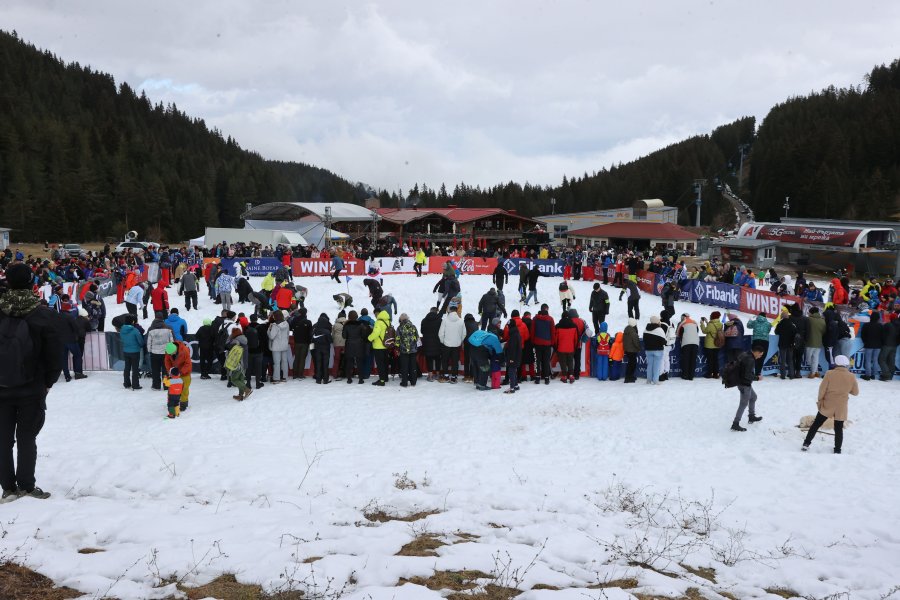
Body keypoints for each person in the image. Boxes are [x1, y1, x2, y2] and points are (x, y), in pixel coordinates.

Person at [0, 263, 63, 501]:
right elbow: (55, 355)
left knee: (2, 440)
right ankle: (26, 486)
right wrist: (48, 382)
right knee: (27, 438)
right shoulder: (43, 314)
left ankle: (8, 487)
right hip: (32, 387)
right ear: (31, 283)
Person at [802, 355, 858, 453]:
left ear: (836, 363)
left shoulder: (829, 373)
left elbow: (822, 389)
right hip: (841, 406)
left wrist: (820, 401)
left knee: (816, 424)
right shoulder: (851, 376)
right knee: (838, 429)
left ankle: (806, 444)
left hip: (828, 404)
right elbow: (855, 392)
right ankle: (837, 450)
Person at [731, 343, 766, 431]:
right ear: (757, 352)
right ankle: (735, 424)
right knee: (743, 404)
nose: (760, 356)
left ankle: (751, 416)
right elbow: (746, 375)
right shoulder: (750, 359)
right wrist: (757, 378)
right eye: (760, 355)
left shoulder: (745, 354)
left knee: (753, 397)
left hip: (741, 382)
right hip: (744, 384)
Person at [438, 304, 466, 383]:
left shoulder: (445, 320)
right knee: (455, 361)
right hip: (456, 344)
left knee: (445, 360)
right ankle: (454, 377)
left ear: (449, 310)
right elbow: (464, 333)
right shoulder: (461, 321)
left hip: (446, 344)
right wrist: (459, 341)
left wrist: (443, 341)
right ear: (457, 311)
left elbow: (440, 333)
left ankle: (446, 376)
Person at [146, 312, 174, 391]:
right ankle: (166, 386)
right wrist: (170, 352)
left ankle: (156, 386)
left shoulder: (151, 329)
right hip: (165, 353)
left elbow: (148, 342)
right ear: (163, 319)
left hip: (154, 353)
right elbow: (171, 342)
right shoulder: (168, 329)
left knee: (155, 370)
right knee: (165, 370)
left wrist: (149, 351)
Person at [164, 340, 192, 413]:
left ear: (175, 349)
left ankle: (183, 403)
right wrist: (170, 371)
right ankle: (171, 403)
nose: (171, 354)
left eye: (172, 353)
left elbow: (188, 364)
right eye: (169, 354)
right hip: (174, 373)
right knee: (173, 389)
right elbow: (167, 361)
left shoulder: (184, 350)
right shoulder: (168, 351)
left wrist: (181, 372)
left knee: (184, 388)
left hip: (185, 373)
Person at [225, 327, 253, 401]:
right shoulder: (244, 339)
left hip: (237, 363)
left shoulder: (235, 341)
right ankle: (240, 395)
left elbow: (227, 345)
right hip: (245, 362)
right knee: (241, 379)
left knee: (234, 379)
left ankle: (247, 390)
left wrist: (230, 337)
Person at [530, 304, 556, 384]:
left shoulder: (535, 319)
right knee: (546, 361)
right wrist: (552, 342)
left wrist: (532, 341)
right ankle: (546, 378)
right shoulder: (550, 319)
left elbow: (532, 331)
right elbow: (553, 332)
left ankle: (537, 377)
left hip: (537, 343)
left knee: (537, 361)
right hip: (547, 344)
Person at [119, 315, 144, 390]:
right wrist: (140, 345)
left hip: (126, 351)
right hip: (135, 351)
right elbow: (140, 341)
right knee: (135, 369)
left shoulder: (122, 330)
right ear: (132, 322)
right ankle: (135, 384)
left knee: (127, 368)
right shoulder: (135, 331)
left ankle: (126, 383)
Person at [342, 311, 367, 384]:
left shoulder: (346, 325)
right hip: (359, 345)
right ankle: (361, 379)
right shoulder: (361, 325)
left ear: (349, 317)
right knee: (360, 363)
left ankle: (349, 379)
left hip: (349, 345)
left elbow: (344, 336)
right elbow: (364, 335)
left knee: (349, 363)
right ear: (356, 316)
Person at [368, 310, 391, 386]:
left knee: (380, 364)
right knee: (385, 363)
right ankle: (385, 378)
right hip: (386, 345)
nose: (375, 316)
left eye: (375, 314)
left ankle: (381, 381)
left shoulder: (378, 322)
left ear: (379, 314)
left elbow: (376, 333)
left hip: (378, 346)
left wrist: (369, 338)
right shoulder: (388, 321)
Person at [396, 313, 420, 387]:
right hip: (413, 350)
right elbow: (417, 337)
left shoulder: (399, 328)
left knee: (404, 367)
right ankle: (413, 382)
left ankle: (404, 382)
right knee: (413, 366)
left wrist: (397, 349)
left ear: (401, 320)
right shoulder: (413, 327)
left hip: (404, 350)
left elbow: (397, 340)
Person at [555, 310, 579, 383]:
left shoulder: (558, 326)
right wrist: (574, 347)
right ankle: (571, 376)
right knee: (570, 362)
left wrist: (556, 347)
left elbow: (556, 338)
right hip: (571, 347)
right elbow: (576, 339)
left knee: (563, 362)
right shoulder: (574, 326)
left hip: (561, 348)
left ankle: (564, 376)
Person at [268, 311, 291, 383]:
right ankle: (284, 377)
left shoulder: (275, 325)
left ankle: (276, 378)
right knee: (284, 361)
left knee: (277, 363)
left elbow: (271, 336)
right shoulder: (286, 324)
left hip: (276, 346)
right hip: (284, 345)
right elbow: (288, 334)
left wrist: (269, 329)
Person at [420, 307, 443, 382]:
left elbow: (422, 331)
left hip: (427, 342)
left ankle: (430, 375)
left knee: (429, 359)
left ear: (430, 311)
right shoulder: (440, 320)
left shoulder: (424, 320)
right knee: (438, 359)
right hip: (437, 342)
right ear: (437, 312)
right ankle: (438, 374)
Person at [746, 312, 772, 378]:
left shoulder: (755, 322)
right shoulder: (768, 324)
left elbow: (748, 326)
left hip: (756, 340)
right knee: (762, 357)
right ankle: (758, 373)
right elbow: (768, 330)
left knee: (754, 356)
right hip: (765, 341)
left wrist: (750, 320)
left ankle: (751, 372)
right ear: (765, 316)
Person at [643, 315, 667, 385]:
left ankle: (648, 380)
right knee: (656, 366)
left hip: (648, 350)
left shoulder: (646, 329)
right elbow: (664, 342)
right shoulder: (660, 330)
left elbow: (644, 340)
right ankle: (655, 380)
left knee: (649, 365)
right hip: (658, 350)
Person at [859, 312, 883, 381]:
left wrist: (865, 342)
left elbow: (862, 335)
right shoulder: (880, 326)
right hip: (878, 346)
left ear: (871, 317)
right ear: (878, 318)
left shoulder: (866, 325)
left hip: (868, 345)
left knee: (868, 360)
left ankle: (868, 375)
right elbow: (882, 336)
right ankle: (874, 375)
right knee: (875, 360)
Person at [774, 311, 798, 380]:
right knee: (790, 360)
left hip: (782, 344)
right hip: (790, 344)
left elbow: (776, 332)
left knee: (783, 360)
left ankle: (783, 375)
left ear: (782, 317)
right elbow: (795, 333)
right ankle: (791, 375)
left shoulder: (780, 324)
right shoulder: (792, 324)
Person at [311, 313, 333, 384]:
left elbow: (312, 340)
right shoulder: (327, 331)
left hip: (317, 349)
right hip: (326, 349)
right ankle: (325, 379)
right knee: (325, 364)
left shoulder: (315, 331)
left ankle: (318, 379)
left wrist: (312, 349)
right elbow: (330, 341)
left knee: (318, 363)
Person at [291, 308, 312, 380]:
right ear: (305, 313)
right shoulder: (308, 322)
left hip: (297, 341)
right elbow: (310, 333)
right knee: (302, 359)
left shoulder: (295, 320)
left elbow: (291, 328)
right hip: (305, 342)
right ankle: (300, 374)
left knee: (296, 358)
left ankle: (294, 374)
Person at [805, 306, 826, 378]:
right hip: (818, 342)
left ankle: (813, 372)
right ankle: (815, 371)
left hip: (810, 342)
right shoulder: (822, 320)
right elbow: (824, 332)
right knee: (815, 358)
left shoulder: (808, 319)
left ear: (811, 313)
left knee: (808, 359)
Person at [676, 314, 700, 380]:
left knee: (686, 359)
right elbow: (697, 331)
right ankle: (691, 376)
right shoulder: (694, 322)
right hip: (695, 343)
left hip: (686, 343)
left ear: (683, 317)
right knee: (693, 360)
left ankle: (685, 375)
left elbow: (678, 333)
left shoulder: (682, 323)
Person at [879, 313, 899, 381]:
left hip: (887, 345)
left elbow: (882, 335)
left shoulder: (888, 325)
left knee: (881, 360)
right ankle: (890, 375)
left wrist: (883, 342)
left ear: (890, 318)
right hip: (895, 345)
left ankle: (886, 374)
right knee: (891, 361)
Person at [622, 318, 640, 383]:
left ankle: (629, 376)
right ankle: (628, 377)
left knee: (630, 364)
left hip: (627, 349)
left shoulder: (626, 329)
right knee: (632, 364)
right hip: (632, 350)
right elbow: (636, 342)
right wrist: (638, 348)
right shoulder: (633, 332)